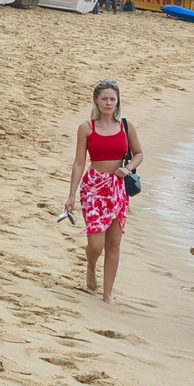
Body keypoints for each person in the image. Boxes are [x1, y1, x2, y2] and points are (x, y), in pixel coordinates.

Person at [65, 80, 143, 304]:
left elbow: (139, 154)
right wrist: (71, 194)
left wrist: (127, 168)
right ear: (96, 101)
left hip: (118, 187)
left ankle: (107, 294)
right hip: (93, 187)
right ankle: (91, 264)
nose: (108, 103)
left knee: (114, 243)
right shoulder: (87, 128)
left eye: (112, 99)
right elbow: (79, 162)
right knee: (96, 243)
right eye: (104, 99)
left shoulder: (126, 126)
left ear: (117, 102)